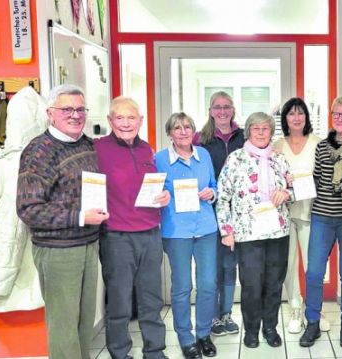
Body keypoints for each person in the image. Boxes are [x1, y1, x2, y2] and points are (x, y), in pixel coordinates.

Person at [16, 84, 108, 359]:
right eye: (67, 109)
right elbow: (28, 209)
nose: (75, 115)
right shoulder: (38, 152)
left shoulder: (86, 144)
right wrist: (80, 216)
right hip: (58, 251)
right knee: (63, 327)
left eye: (80, 109)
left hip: (89, 245)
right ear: (50, 113)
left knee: (84, 324)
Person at [93, 97, 170, 359]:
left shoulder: (147, 150)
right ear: (110, 121)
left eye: (131, 118)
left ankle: (155, 350)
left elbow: (153, 188)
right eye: (119, 118)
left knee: (152, 299)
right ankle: (119, 352)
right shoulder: (96, 149)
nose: (126, 123)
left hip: (150, 233)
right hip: (116, 236)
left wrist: (165, 198)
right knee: (119, 301)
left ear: (141, 120)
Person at [216, 112, 292, 349]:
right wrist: (226, 230)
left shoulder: (280, 159)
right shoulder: (235, 159)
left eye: (266, 129)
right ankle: (251, 330)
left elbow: (297, 187)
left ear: (271, 132)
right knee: (250, 284)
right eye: (256, 128)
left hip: (278, 233)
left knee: (273, 283)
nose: (261, 133)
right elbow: (222, 198)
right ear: (248, 131)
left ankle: (270, 327)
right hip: (247, 233)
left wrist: (288, 193)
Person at [300, 96, 342, 348]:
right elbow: (316, 179)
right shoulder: (321, 146)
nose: (340, 119)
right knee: (315, 272)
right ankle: (312, 323)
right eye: (336, 114)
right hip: (322, 217)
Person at [155, 113, 219, 359]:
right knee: (182, 287)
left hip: (205, 227)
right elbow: (152, 191)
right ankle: (186, 337)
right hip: (176, 231)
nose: (183, 132)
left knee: (208, 284)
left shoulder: (204, 155)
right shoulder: (159, 159)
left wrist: (210, 194)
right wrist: (160, 197)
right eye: (177, 128)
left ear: (194, 130)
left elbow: (214, 186)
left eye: (187, 127)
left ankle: (204, 334)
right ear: (169, 133)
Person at [194, 91, 243, 337]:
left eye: (226, 107)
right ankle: (212, 317)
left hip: (237, 213)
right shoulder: (199, 139)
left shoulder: (243, 137)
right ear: (210, 111)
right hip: (207, 213)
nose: (222, 111)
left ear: (233, 110)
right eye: (217, 107)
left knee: (229, 266)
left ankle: (226, 314)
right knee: (210, 268)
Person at [273, 98, 322, 334]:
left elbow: (324, 177)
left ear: (306, 117)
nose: (296, 117)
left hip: (311, 212)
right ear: (285, 118)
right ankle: (295, 307)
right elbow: (270, 178)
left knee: (313, 266)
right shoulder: (277, 145)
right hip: (283, 214)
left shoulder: (318, 143)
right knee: (289, 264)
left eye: (300, 113)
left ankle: (315, 309)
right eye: (291, 114)